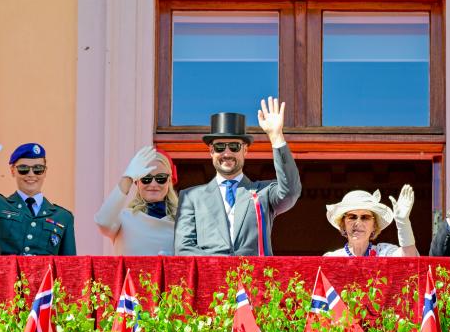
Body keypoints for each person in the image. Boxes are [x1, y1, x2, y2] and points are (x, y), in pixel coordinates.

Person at [175, 97, 301, 256]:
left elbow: (291, 191)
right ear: (211, 151)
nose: (227, 153)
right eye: (220, 147)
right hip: (211, 278)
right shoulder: (190, 197)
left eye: (234, 147)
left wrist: (276, 137)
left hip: (255, 278)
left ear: (245, 150)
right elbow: (183, 249)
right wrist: (224, 266)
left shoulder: (263, 192)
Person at [0, 129, 76, 255]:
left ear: (45, 172)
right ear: (12, 171)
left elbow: (69, 268)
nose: (31, 174)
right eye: (23, 169)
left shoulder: (63, 217)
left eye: (38, 169)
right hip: (3, 275)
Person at [95, 146, 178, 255]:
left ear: (169, 181)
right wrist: (128, 177)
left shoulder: (183, 223)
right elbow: (103, 222)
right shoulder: (124, 219)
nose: (153, 184)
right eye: (146, 178)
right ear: (137, 182)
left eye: (161, 178)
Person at [324, 185, 419, 257]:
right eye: (352, 217)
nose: (358, 222)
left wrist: (403, 223)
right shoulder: (332, 258)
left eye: (365, 217)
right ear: (343, 224)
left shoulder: (385, 253)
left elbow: (410, 261)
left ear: (374, 226)